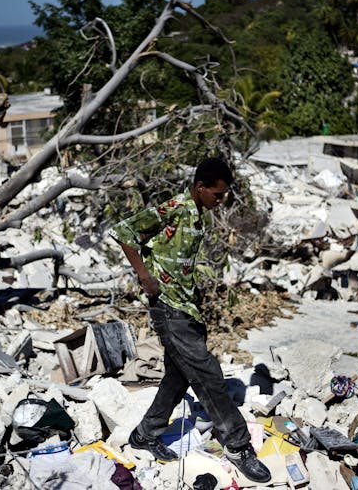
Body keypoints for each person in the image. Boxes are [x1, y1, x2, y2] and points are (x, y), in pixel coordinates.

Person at [108, 158, 271, 483]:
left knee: (178, 377)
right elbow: (124, 232)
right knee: (209, 375)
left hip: (186, 308)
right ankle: (239, 447)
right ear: (200, 188)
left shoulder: (198, 214)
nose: (220, 201)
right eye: (218, 194)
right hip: (168, 308)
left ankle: (145, 434)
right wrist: (144, 277)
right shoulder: (176, 207)